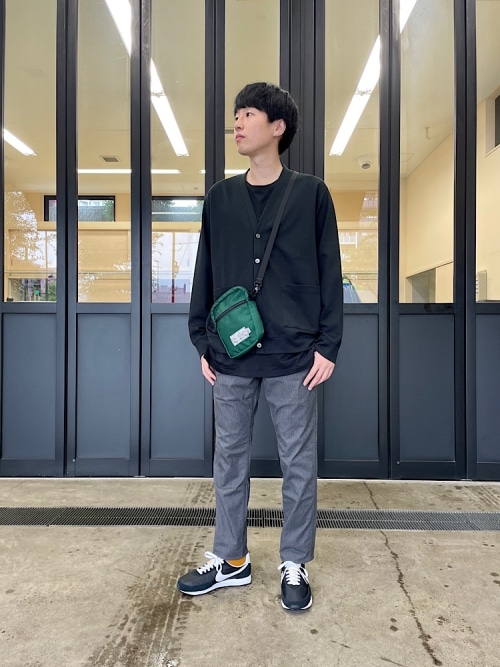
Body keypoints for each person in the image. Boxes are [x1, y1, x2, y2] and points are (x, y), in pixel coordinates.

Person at [177, 82, 343, 611]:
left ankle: (294, 560)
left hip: (295, 355)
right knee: (229, 459)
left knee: (298, 462)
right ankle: (231, 559)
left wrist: (328, 345)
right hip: (230, 356)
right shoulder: (220, 198)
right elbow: (204, 272)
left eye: (248, 114)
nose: (238, 123)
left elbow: (330, 270)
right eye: (237, 114)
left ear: (278, 127)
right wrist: (201, 339)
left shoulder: (311, 194)